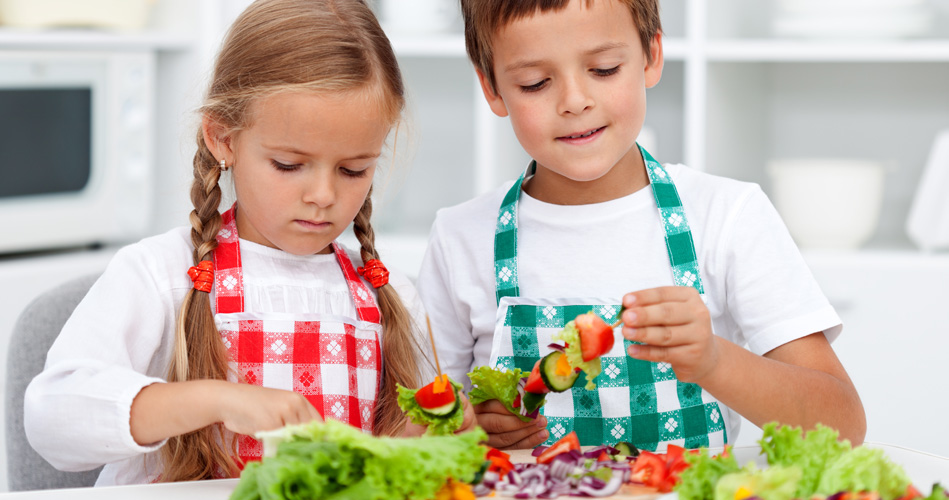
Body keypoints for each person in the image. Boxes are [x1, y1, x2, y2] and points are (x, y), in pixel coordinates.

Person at [25, 0, 474, 486]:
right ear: (223, 138)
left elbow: (404, 462)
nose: (323, 195)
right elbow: (53, 418)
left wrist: (433, 435)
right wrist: (217, 400)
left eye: (353, 170)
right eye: (288, 164)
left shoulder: (392, 296)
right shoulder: (160, 274)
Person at [417, 0, 866, 452]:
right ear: (492, 88)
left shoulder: (727, 215)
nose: (575, 101)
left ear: (651, 55)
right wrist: (473, 429)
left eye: (605, 69)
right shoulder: (461, 238)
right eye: (535, 83)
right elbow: (420, 429)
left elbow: (843, 425)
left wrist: (714, 361)